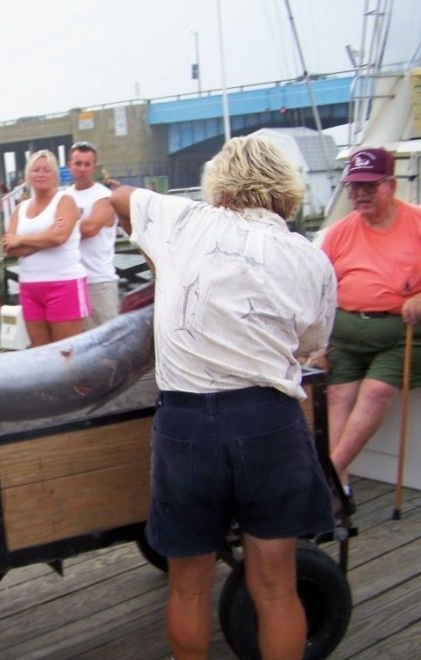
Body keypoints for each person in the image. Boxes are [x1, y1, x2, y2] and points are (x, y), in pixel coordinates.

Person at [110, 135, 336, 659]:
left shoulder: (186, 221)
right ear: (285, 192)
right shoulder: (309, 258)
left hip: (187, 425)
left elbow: (118, 198)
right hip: (269, 422)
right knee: (277, 586)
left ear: (220, 189)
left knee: (188, 585)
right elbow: (311, 347)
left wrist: (158, 256)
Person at [320, 147, 421, 502]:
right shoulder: (338, 233)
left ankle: (327, 477)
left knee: (376, 392)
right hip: (346, 336)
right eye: (353, 187)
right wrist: (317, 345)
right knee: (336, 396)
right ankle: (339, 480)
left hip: (400, 335)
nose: (359, 194)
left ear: (390, 186)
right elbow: (319, 288)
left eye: (368, 186)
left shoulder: (418, 223)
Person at [3, 150, 87, 346]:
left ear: (55, 175)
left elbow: (59, 237)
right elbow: (10, 247)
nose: (41, 174)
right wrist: (45, 236)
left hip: (64, 283)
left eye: (46, 170)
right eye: (35, 170)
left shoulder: (65, 201)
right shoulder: (20, 208)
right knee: (41, 354)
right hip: (30, 286)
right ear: (28, 175)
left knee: (66, 353)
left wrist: (22, 239)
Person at [65, 141, 119, 329]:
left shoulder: (104, 197)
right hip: (70, 282)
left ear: (94, 167)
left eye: (87, 164)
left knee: (107, 344)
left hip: (99, 282)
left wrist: (60, 228)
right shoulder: (63, 197)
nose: (82, 169)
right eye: (78, 163)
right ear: (69, 166)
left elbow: (90, 229)